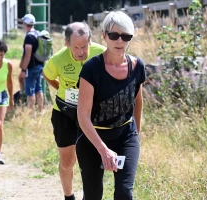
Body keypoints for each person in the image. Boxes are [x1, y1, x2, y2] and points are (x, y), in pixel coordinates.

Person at [76, 11, 146, 199]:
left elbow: (138, 100)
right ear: (104, 36)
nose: (119, 41)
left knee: (124, 193)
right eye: (114, 35)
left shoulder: (137, 66)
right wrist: (103, 150)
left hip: (125, 135)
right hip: (93, 139)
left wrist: (136, 135)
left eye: (125, 36)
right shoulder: (91, 69)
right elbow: (83, 115)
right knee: (93, 195)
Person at [42, 22, 106, 200]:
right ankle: (68, 196)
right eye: (76, 47)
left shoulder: (102, 54)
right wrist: (60, 87)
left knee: (91, 161)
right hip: (65, 113)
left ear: (90, 42)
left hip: (91, 114)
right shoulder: (58, 59)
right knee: (68, 161)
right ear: (66, 43)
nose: (80, 52)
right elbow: (47, 75)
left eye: (84, 46)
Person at [19, 13, 44, 112]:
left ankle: (30, 112)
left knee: (30, 91)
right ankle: (40, 110)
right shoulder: (37, 33)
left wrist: (23, 69)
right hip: (40, 66)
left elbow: (28, 55)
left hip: (31, 68)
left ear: (25, 24)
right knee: (39, 88)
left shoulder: (29, 37)